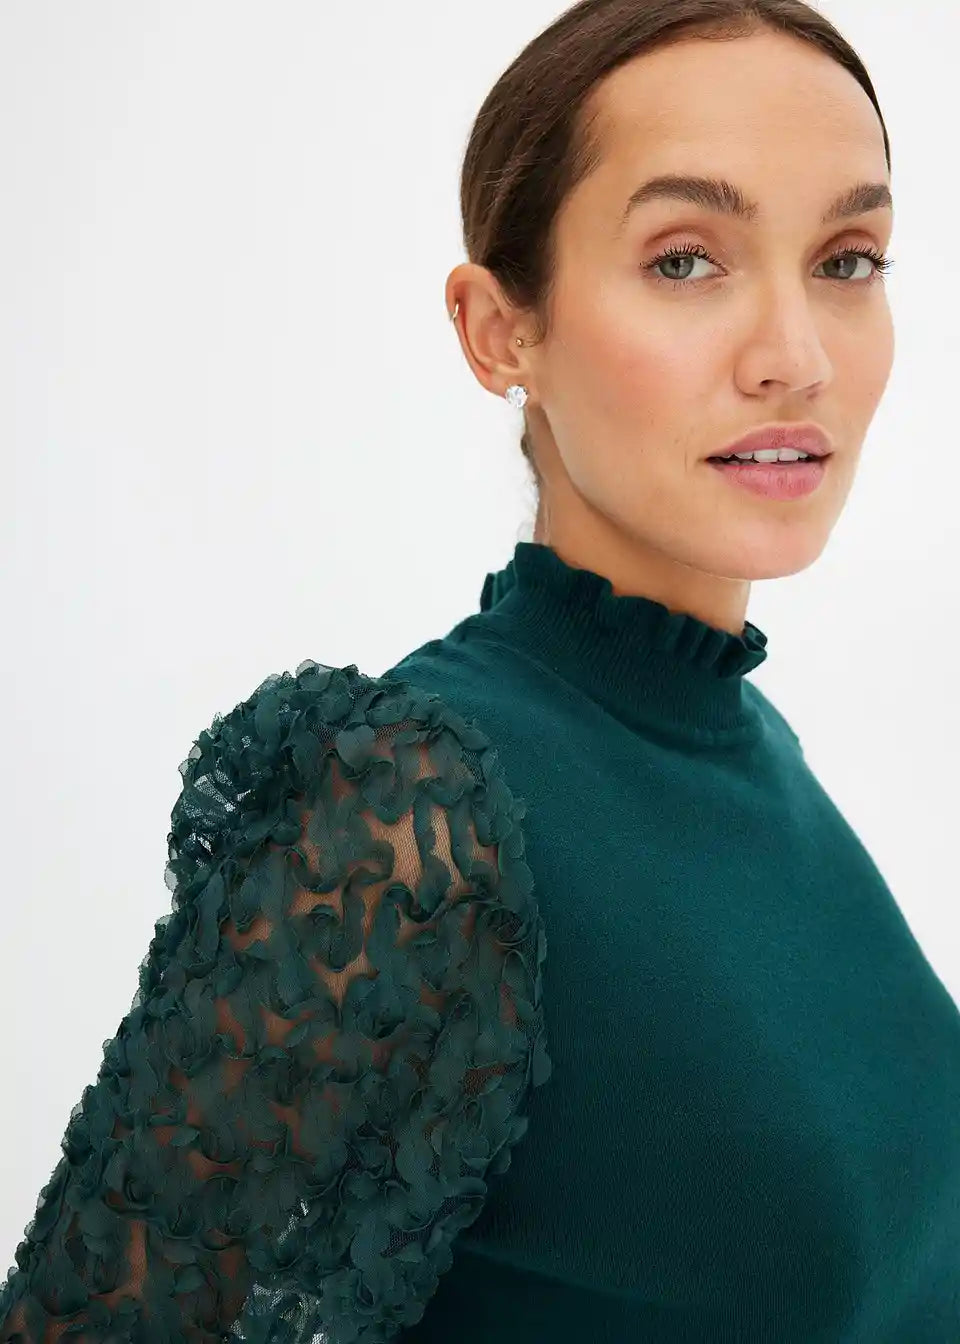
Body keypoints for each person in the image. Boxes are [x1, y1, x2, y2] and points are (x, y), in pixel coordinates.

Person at [3, 2, 958, 1341]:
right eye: (687, 260)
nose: (795, 356)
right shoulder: (405, 812)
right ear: (500, 329)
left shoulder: (749, 746)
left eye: (847, 260)